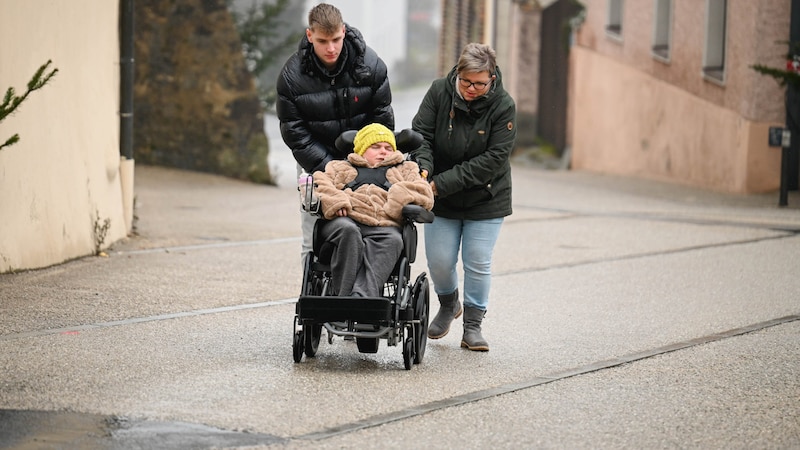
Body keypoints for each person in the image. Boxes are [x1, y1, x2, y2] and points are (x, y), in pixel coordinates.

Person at [410, 43, 517, 352]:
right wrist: (425, 172)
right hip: (439, 194)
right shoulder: (439, 92)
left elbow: (493, 160)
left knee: (477, 261)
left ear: (492, 78)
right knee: (440, 261)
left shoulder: (504, 106)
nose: (472, 88)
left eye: (480, 83)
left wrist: (440, 184)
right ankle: (448, 304)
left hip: (486, 196)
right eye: (466, 81)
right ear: (457, 73)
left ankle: (473, 326)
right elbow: (421, 136)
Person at [275, 2, 394, 265]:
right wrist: (330, 171)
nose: (331, 48)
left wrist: (365, 162)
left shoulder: (371, 66)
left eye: (336, 39)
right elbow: (295, 133)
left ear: (344, 31)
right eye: (323, 41)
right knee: (313, 233)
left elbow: (382, 121)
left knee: (368, 221)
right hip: (314, 164)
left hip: (363, 160)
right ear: (310, 36)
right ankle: (311, 298)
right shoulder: (291, 78)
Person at [312, 123, 434, 297]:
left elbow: (425, 193)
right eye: (375, 147)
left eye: (388, 147)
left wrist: (399, 197)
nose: (383, 151)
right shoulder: (339, 167)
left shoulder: (406, 169)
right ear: (361, 150)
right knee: (349, 231)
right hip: (344, 221)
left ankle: (361, 297)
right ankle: (342, 298)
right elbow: (318, 183)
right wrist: (337, 202)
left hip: (385, 226)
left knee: (394, 240)